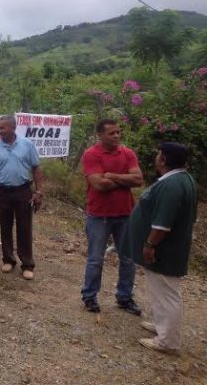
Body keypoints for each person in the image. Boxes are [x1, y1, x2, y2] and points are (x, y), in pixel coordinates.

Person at [122, 142, 197, 355]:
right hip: (167, 247)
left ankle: (168, 341)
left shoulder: (172, 185)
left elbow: (163, 224)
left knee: (166, 293)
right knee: (159, 291)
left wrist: (150, 244)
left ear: (163, 159)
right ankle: (161, 325)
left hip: (164, 250)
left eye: (158, 154)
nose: (156, 157)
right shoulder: (183, 179)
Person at [80, 118, 144, 314]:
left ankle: (125, 298)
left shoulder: (127, 153)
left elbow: (139, 179)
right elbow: (99, 185)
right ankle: (89, 296)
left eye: (118, 132)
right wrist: (125, 180)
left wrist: (111, 176)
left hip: (125, 214)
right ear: (100, 135)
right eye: (112, 133)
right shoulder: (91, 155)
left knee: (128, 259)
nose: (117, 135)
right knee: (95, 259)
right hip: (99, 215)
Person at [0, 115, 43, 280]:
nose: (0, 131)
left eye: (3, 128)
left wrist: (39, 192)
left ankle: (27, 264)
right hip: (2, 192)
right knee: (5, 226)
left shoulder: (27, 145)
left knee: (24, 228)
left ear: (13, 127)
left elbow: (36, 169)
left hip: (23, 191)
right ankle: (8, 260)